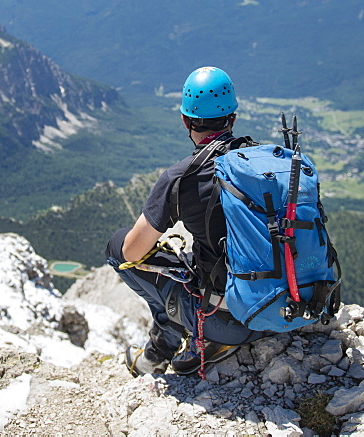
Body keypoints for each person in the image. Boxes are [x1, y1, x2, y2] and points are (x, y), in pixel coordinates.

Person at [105, 66, 266, 377]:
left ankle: (169, 343)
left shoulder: (182, 178)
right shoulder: (267, 163)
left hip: (234, 324)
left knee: (117, 248)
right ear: (233, 117)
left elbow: (132, 253)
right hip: (289, 308)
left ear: (185, 120)